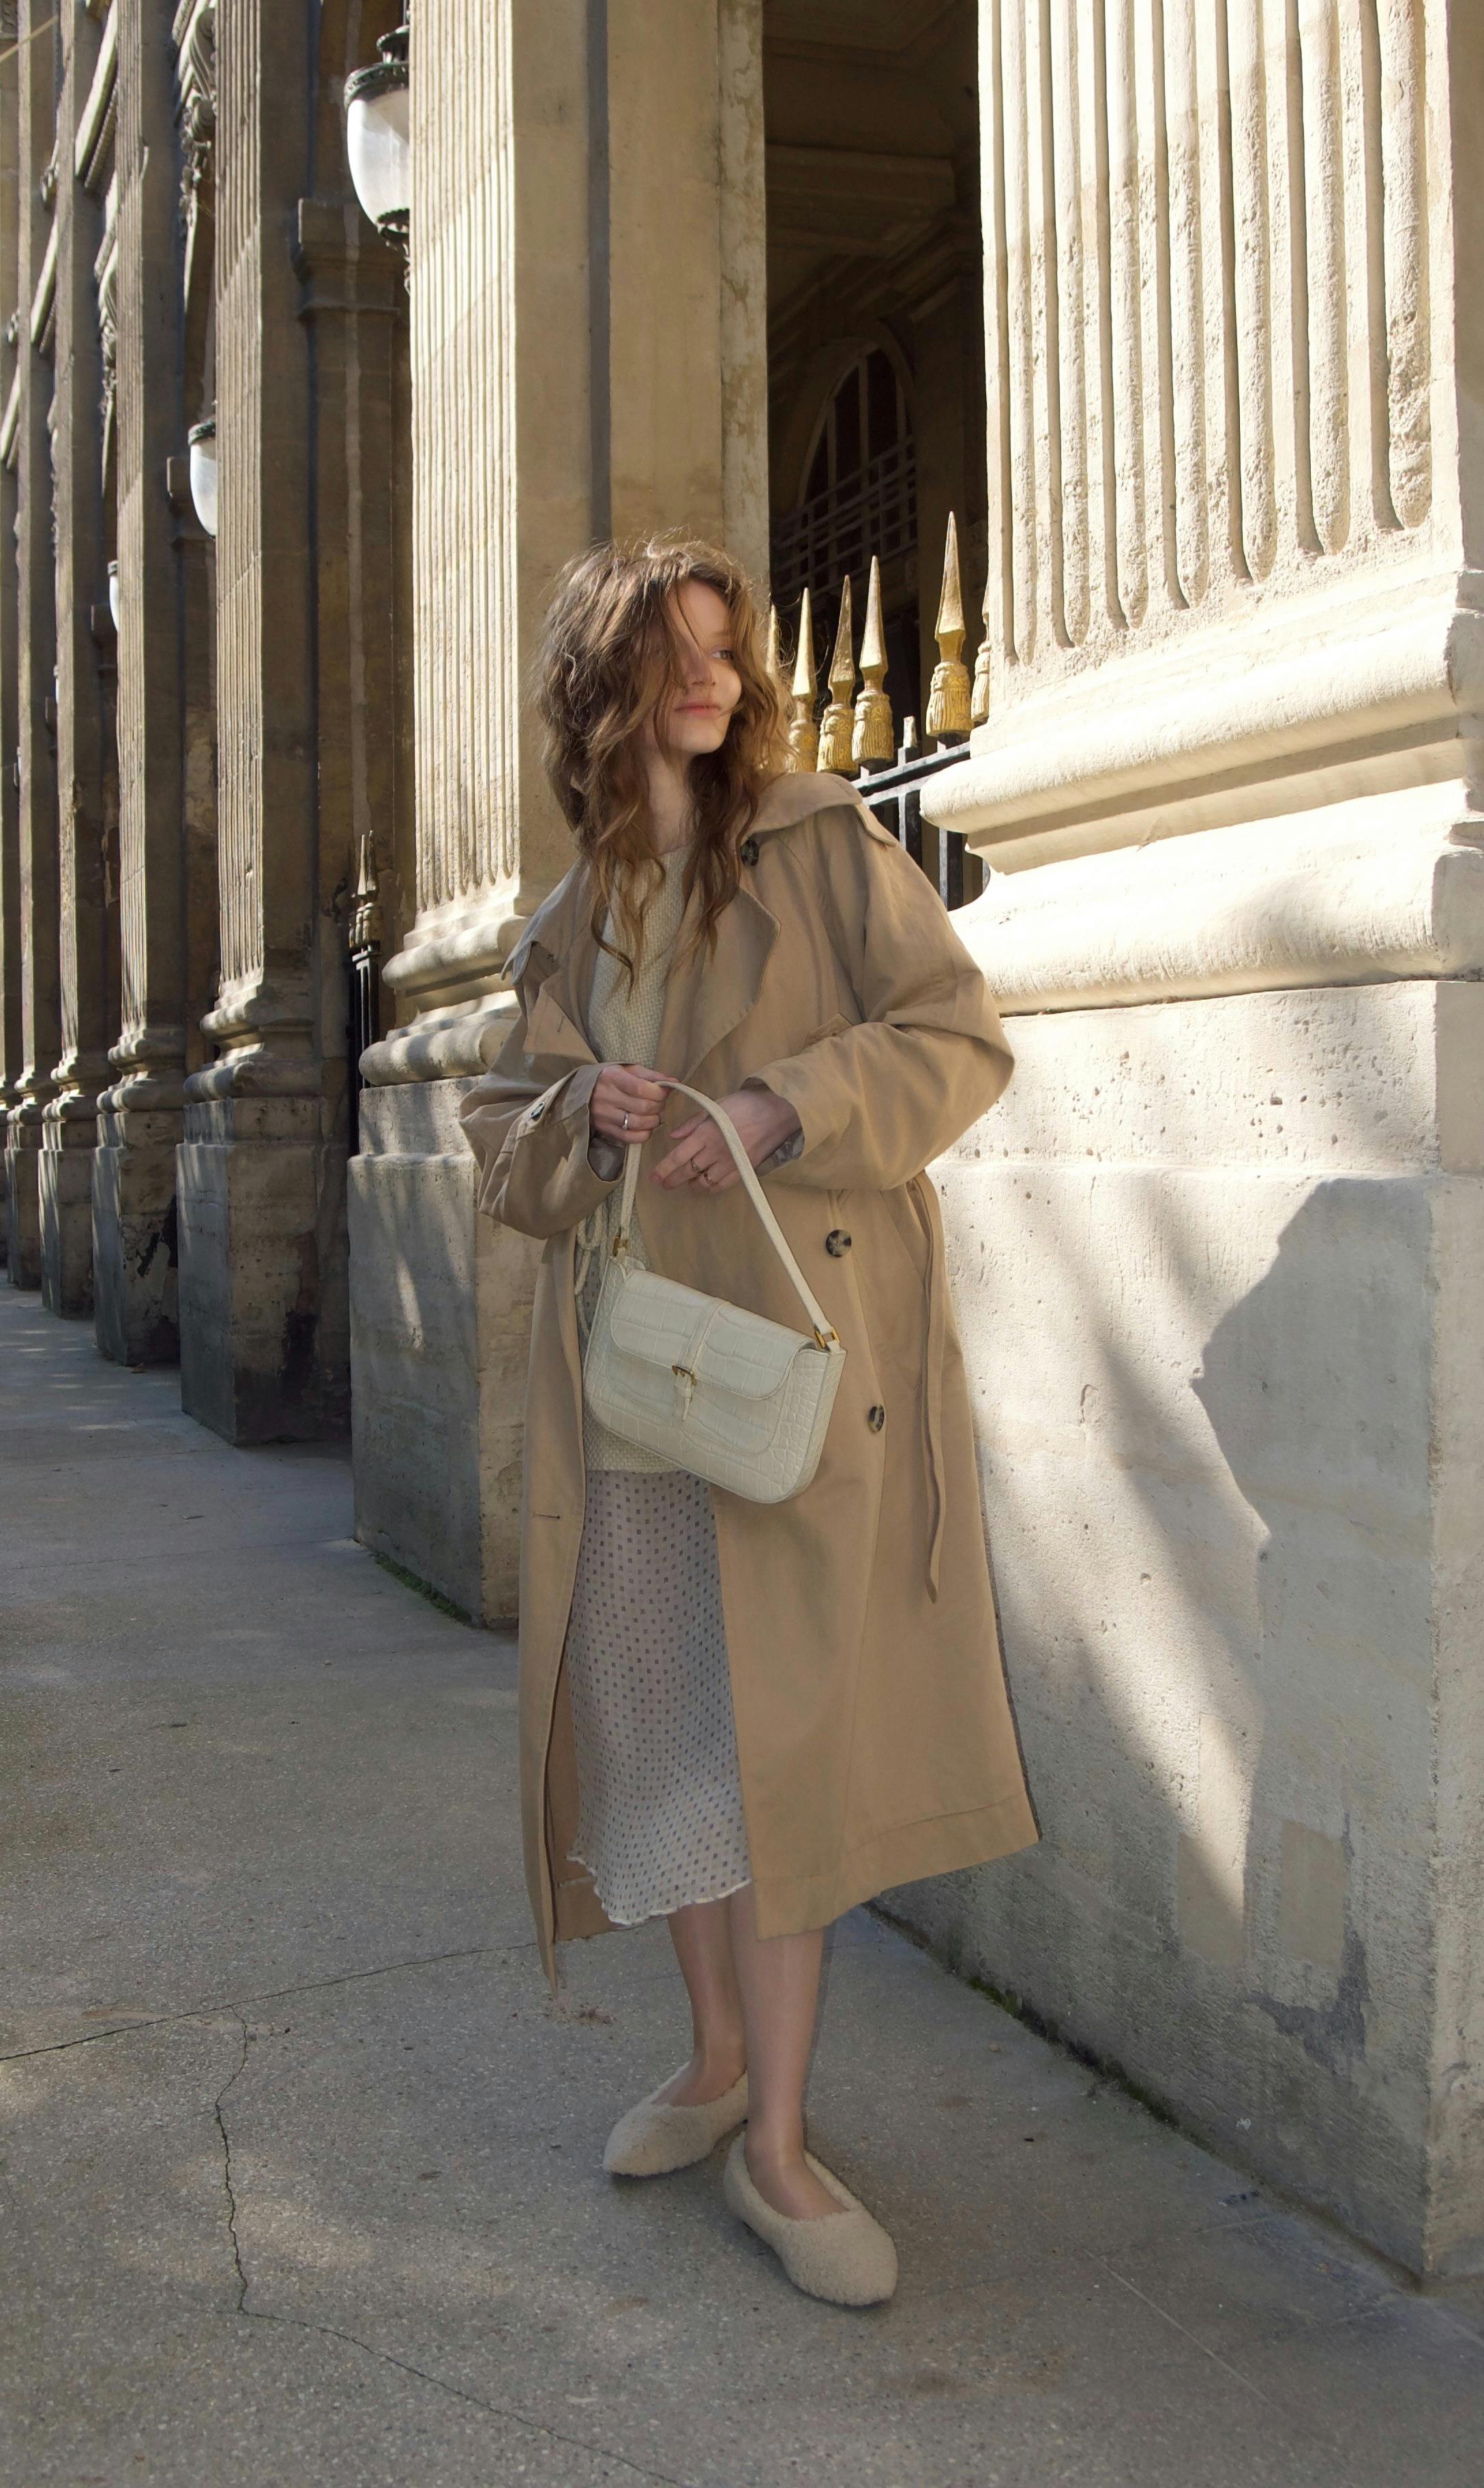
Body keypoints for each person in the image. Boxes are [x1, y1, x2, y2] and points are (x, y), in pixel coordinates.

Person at [459, 537, 1037, 2307]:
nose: (708, 682)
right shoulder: (574, 913)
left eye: (723, 651)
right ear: (605, 687)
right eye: (671, 656)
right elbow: (502, 1132)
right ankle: (713, 2067)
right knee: (672, 1767)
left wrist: (787, 1104)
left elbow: (961, 1035)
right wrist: (585, 1103)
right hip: (631, 1394)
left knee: (781, 1770)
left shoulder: (818, 838)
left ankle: (782, 2152)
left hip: (786, 1388)